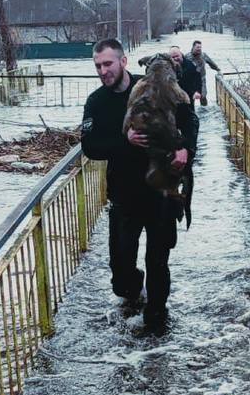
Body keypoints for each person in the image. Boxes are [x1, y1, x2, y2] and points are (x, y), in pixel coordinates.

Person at [81, 38, 197, 331]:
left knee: (158, 261)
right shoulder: (97, 102)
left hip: (160, 195)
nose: (103, 71)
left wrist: (187, 150)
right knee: (120, 275)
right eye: (98, 66)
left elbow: (190, 120)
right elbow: (90, 146)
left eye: (107, 64)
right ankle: (133, 291)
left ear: (123, 62)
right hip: (124, 196)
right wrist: (125, 140)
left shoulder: (156, 89)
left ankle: (157, 320)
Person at [188, 39, 221, 105]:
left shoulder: (203, 55)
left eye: (200, 47)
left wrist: (218, 70)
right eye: (197, 47)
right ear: (193, 47)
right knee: (191, 97)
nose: (199, 49)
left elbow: (211, 63)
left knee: (203, 96)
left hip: (202, 79)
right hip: (191, 81)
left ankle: (204, 110)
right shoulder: (187, 57)